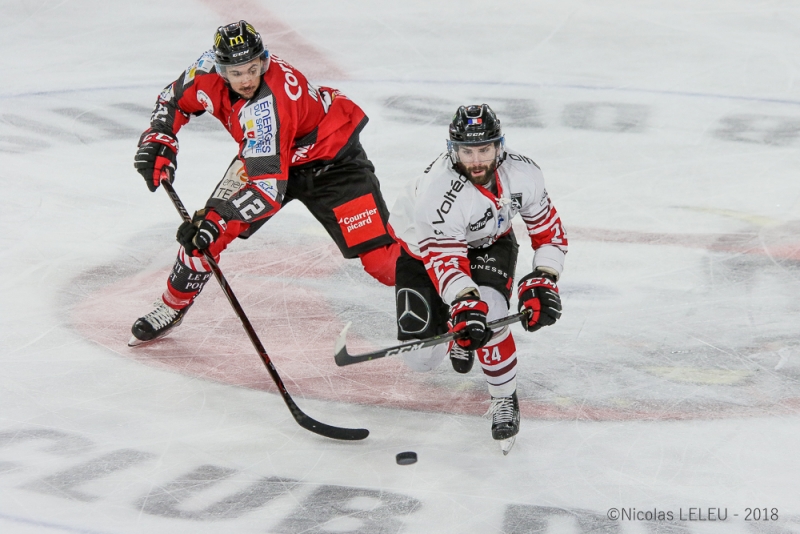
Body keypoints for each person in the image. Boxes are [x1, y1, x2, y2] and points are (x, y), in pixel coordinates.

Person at [129, 20, 399, 345]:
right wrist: (160, 139)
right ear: (220, 68)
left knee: (384, 263)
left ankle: (451, 279)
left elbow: (266, 190)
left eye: (252, 68)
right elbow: (171, 101)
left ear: (263, 60)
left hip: (331, 162)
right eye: (237, 72)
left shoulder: (268, 106)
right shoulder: (204, 73)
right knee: (207, 236)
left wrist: (216, 221)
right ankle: (172, 305)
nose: (246, 79)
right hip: (264, 156)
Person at [387, 104, 567, 448]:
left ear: (499, 146)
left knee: (493, 312)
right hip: (422, 252)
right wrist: (465, 303)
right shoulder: (437, 194)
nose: (477, 160)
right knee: (421, 358)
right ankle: (456, 333)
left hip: (490, 243)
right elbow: (447, 262)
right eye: (467, 151)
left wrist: (545, 278)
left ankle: (503, 397)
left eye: (484, 149)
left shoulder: (524, 174)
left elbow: (549, 232)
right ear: (452, 149)